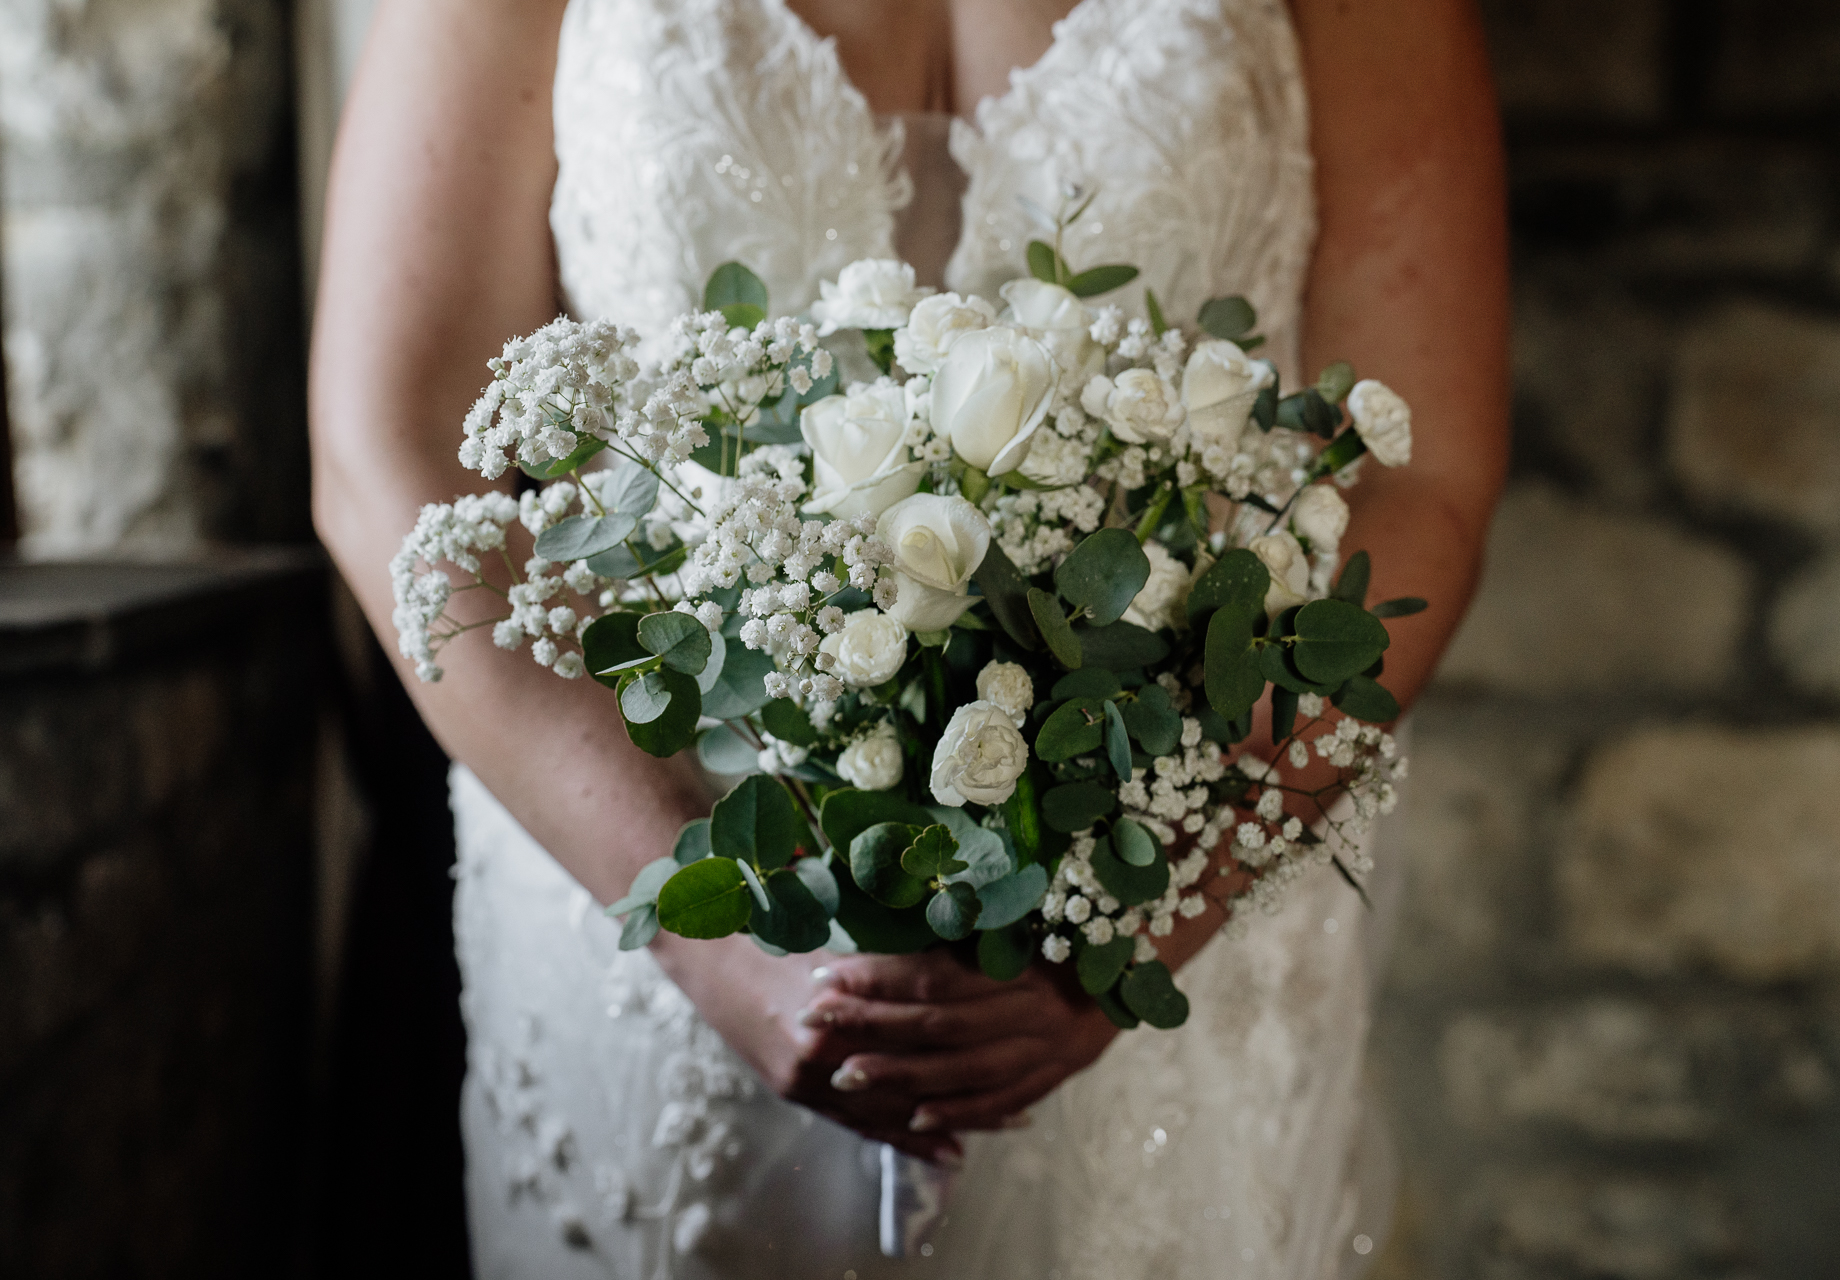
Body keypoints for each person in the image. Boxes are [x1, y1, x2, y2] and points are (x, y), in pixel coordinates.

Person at [310, 0, 1508, 1274]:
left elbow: (1420, 481)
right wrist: (695, 924)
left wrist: (1135, 930)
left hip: (1172, 854)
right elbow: (385, 446)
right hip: (640, 876)